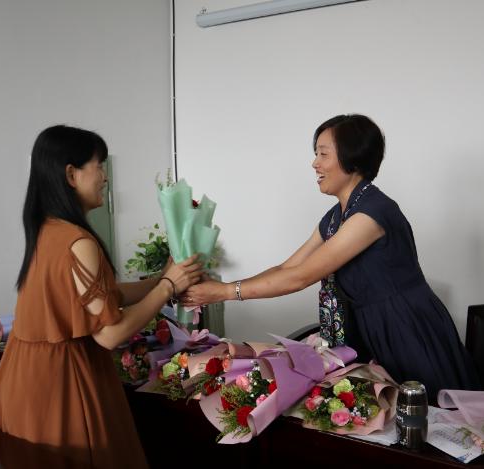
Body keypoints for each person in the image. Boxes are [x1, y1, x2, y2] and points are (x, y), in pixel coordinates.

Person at [183, 114, 481, 402]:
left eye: (323, 154)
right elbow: (288, 267)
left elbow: (301, 277)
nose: (315, 163)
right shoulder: (335, 217)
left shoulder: (372, 212)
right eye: (316, 154)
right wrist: (220, 287)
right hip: (370, 328)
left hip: (406, 327)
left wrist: (224, 292)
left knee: (425, 418)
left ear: (353, 159)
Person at [0, 125, 202, 468]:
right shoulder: (79, 242)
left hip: (21, 381)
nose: (104, 177)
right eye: (98, 166)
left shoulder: (47, 229)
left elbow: (104, 296)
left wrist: (162, 279)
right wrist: (167, 287)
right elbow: (110, 334)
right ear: (71, 175)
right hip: (61, 384)